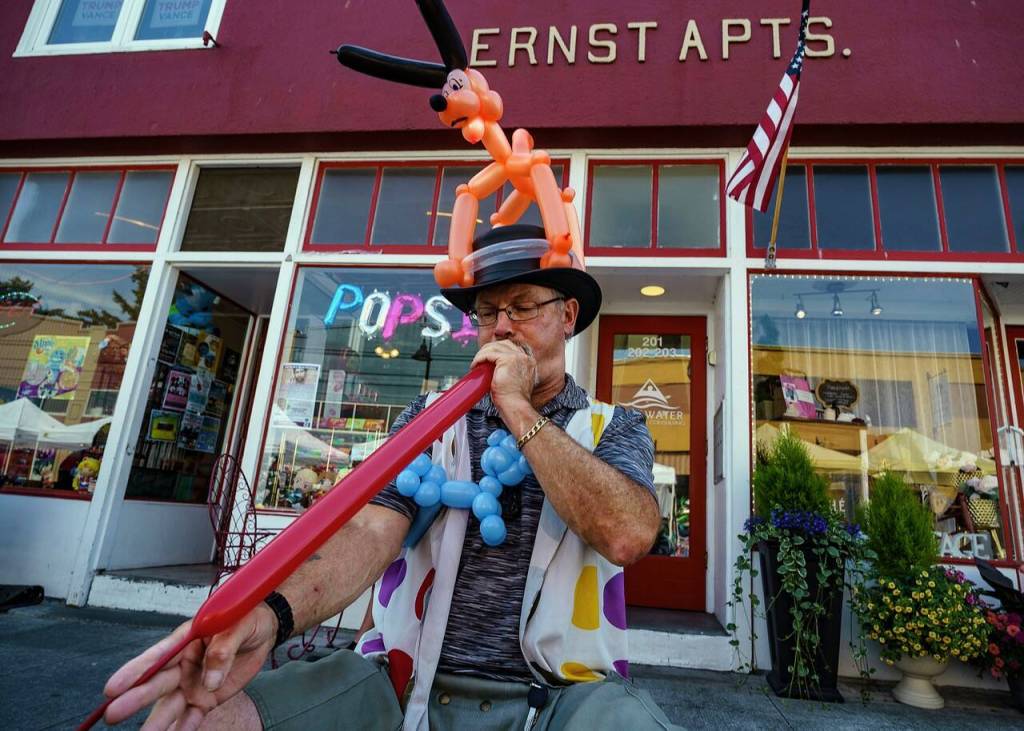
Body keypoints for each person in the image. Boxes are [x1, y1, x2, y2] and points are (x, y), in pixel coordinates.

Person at [102, 224, 677, 730]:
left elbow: (626, 534)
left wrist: (519, 410)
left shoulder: (614, 427)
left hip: (562, 695)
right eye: (486, 312)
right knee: (216, 719)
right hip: (398, 678)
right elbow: (369, 533)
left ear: (567, 315)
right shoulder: (425, 420)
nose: (500, 327)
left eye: (523, 306)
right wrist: (270, 616)